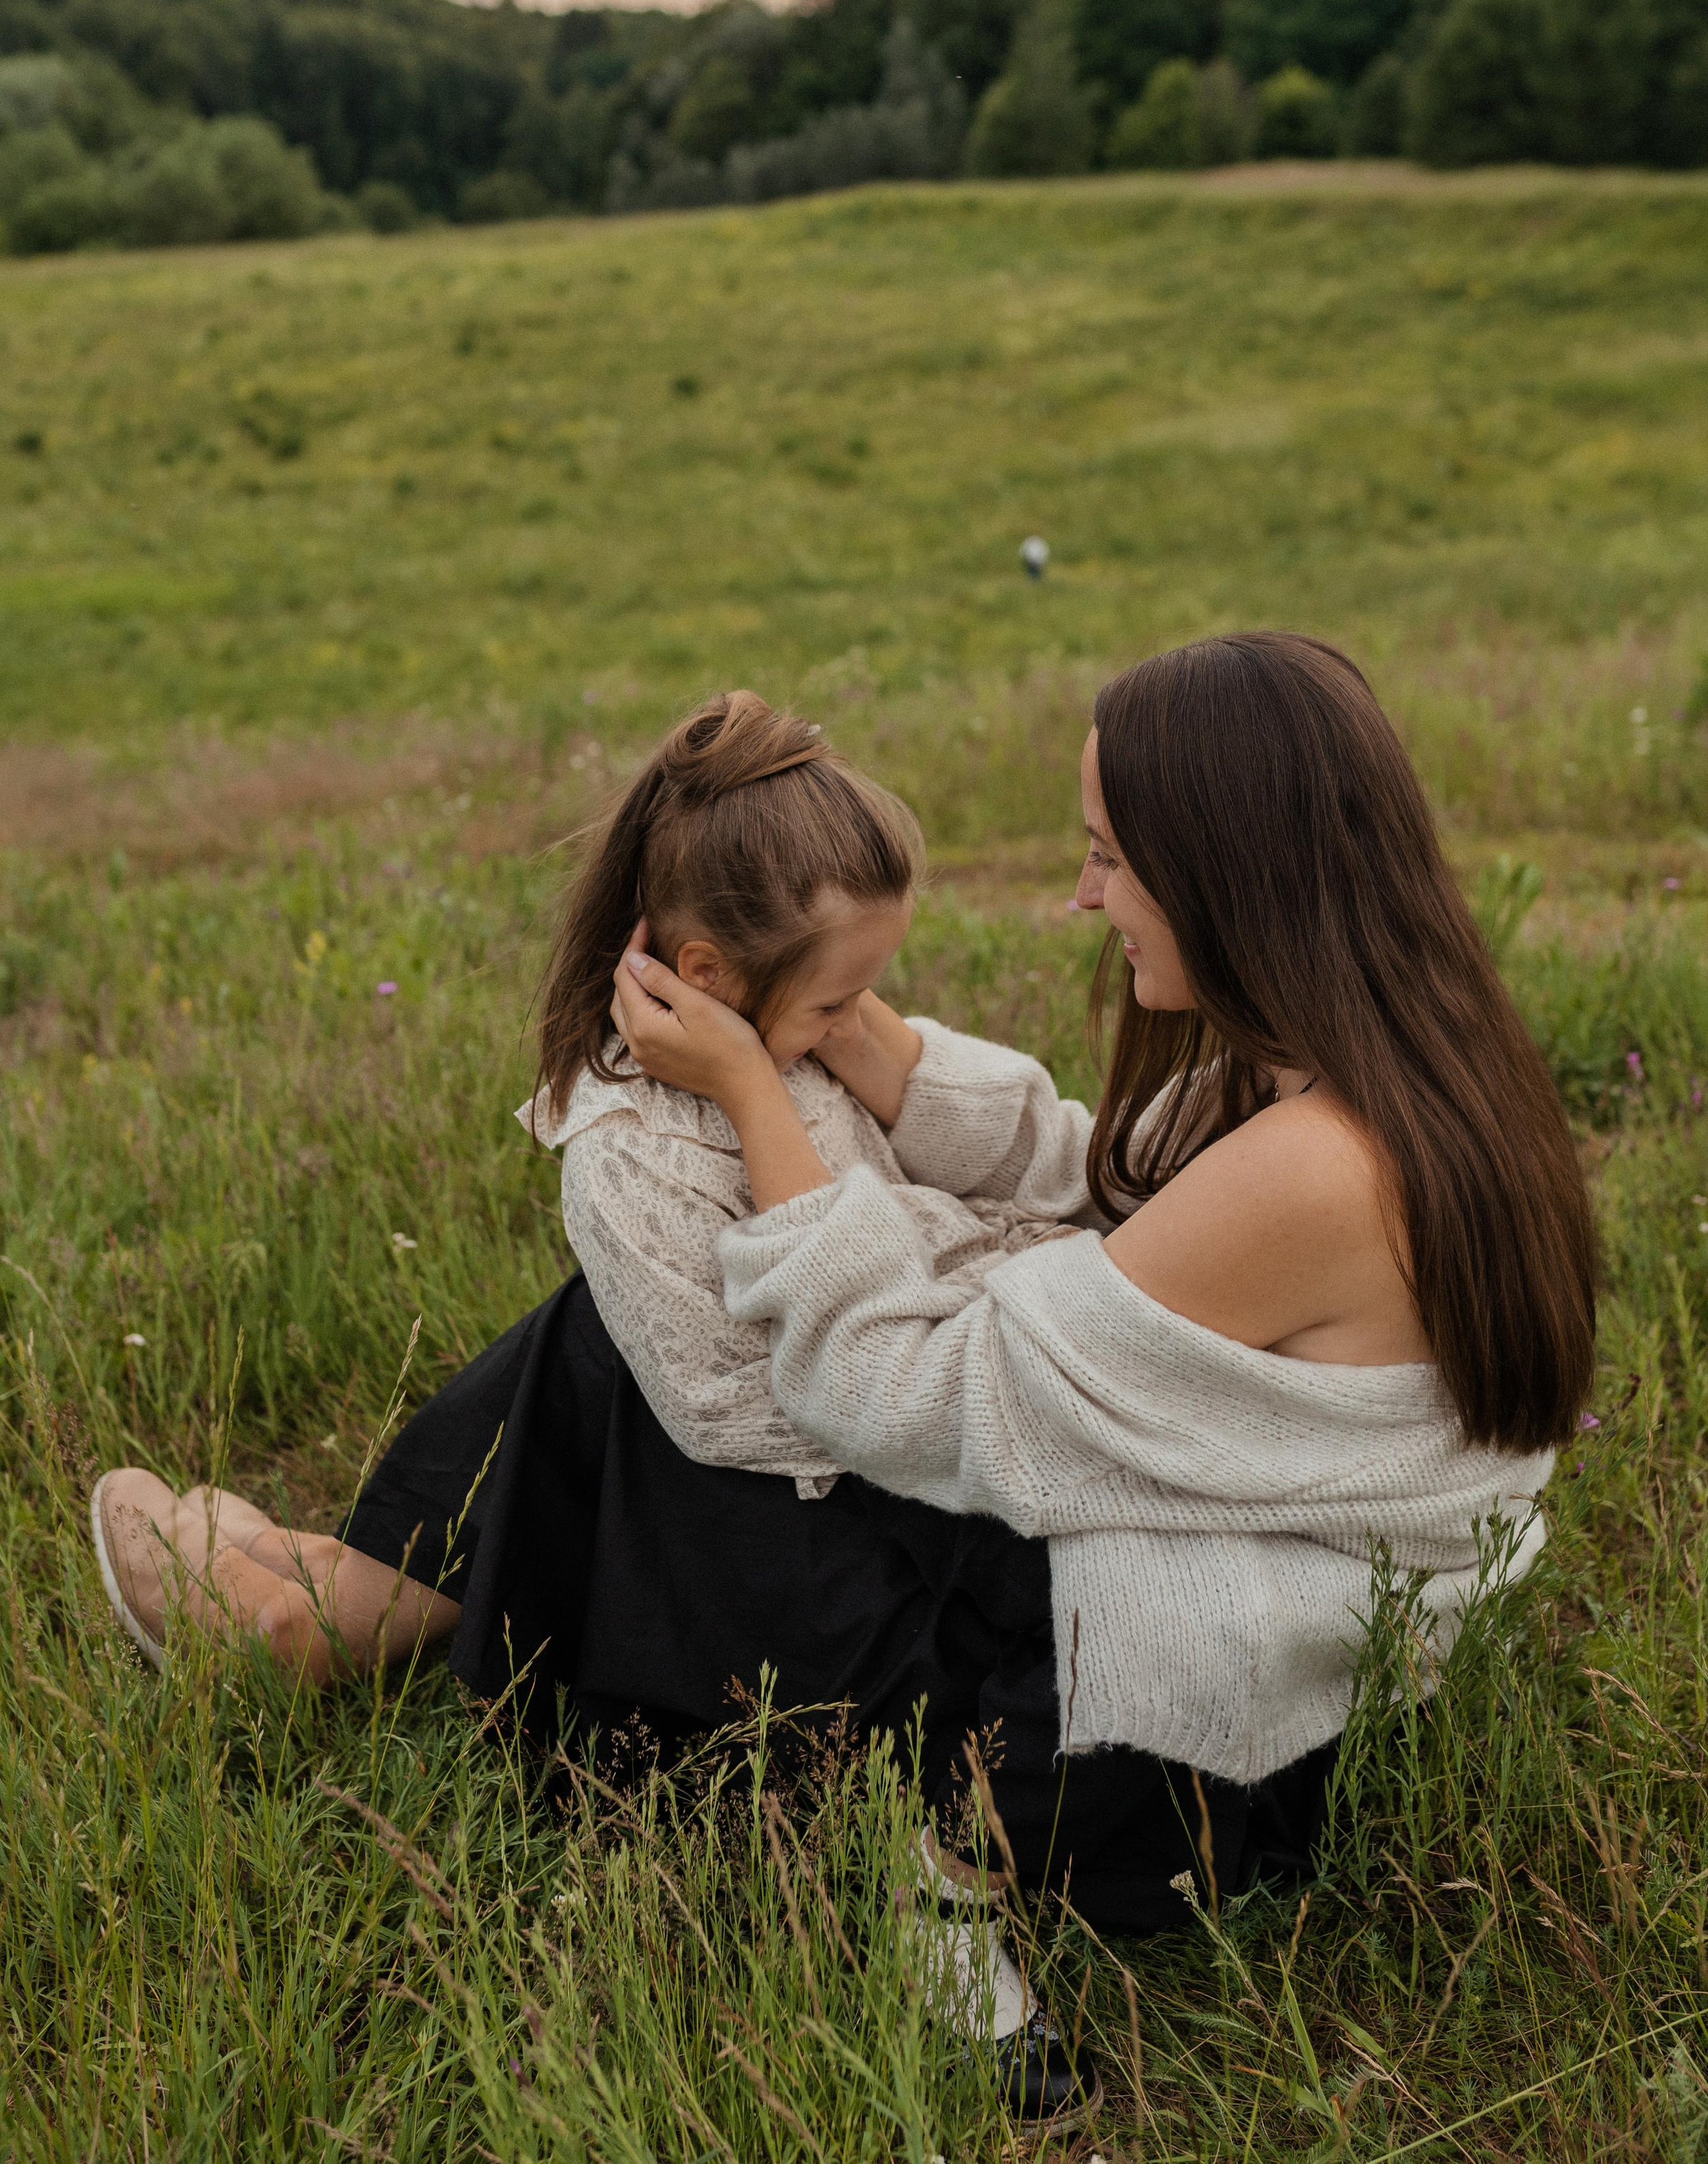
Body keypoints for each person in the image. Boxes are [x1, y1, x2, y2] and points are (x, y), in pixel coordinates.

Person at [89, 637, 1597, 2118]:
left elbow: (900, 1400)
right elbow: (1116, 1188)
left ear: (1228, 868)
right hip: (1208, 1664)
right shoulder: (1384, 1074)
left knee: (646, 1328)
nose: (1082, 895)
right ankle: (338, 1601)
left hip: (1137, 1748)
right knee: (670, 1310)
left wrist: (757, 1089)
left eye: (1107, 857)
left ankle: (340, 1612)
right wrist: (852, 1040)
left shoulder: (1309, 1173)